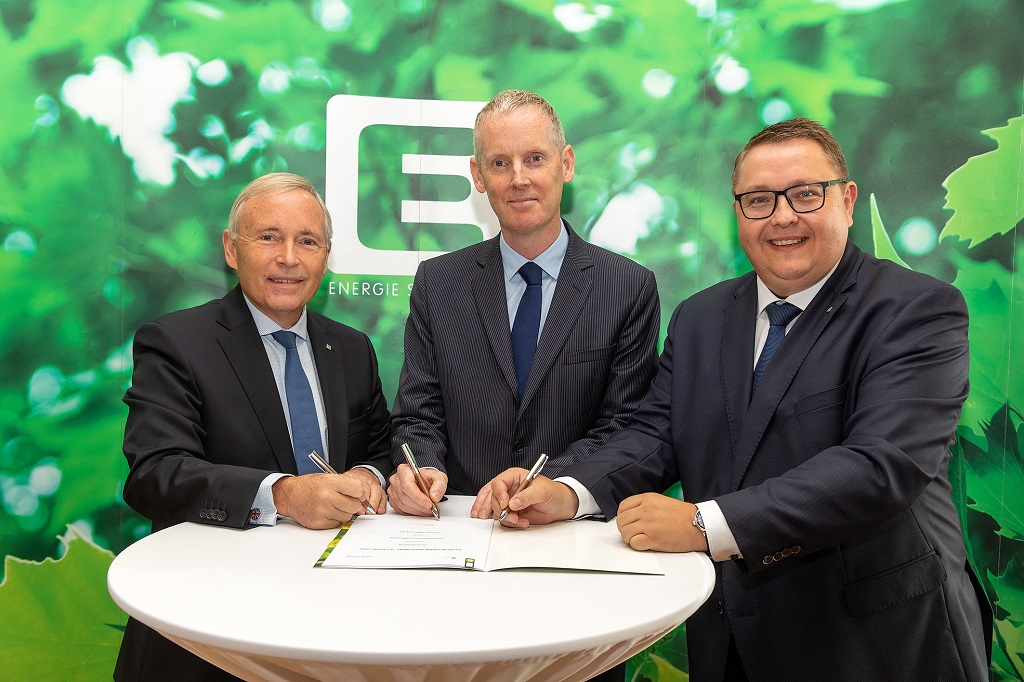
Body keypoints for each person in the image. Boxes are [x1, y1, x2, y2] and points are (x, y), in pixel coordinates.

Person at [485, 119, 992, 682]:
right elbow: (654, 434)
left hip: (874, 644)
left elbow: (881, 467)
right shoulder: (700, 317)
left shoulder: (916, 310)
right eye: (758, 200)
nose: (782, 216)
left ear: (847, 201)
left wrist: (704, 525)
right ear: (738, 213)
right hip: (731, 643)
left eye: (805, 194)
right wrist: (566, 491)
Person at [114, 173, 391, 681]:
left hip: (335, 625)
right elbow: (155, 474)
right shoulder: (176, 342)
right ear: (231, 248)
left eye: (307, 241)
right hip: (207, 634)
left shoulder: (353, 348)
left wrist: (369, 476)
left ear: (326, 256)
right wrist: (282, 495)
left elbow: (380, 449)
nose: (289, 257)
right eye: (268, 237)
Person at [387, 89, 659, 517]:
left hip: (568, 527)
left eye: (534, 159)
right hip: (459, 521)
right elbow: (417, 416)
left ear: (565, 164)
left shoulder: (628, 288)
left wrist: (549, 484)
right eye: (500, 163)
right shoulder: (437, 284)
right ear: (478, 175)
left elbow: (624, 426)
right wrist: (421, 468)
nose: (519, 179)